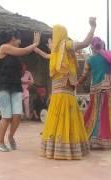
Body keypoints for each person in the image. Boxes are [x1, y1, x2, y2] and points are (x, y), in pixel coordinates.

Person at [33, 17, 96, 160]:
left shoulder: (66, 45)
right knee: (59, 117)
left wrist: (92, 27)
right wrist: (35, 46)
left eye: (54, 34)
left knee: (64, 117)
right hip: (57, 93)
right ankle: (60, 148)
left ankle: (63, 148)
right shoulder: (56, 52)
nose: (53, 38)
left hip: (65, 92)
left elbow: (85, 43)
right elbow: (44, 55)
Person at [0, 29, 40, 152]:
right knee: (7, 116)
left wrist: (34, 47)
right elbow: (23, 51)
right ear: (13, 39)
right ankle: (0, 142)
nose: (20, 43)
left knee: (18, 115)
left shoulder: (16, 55)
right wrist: (35, 44)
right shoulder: (4, 48)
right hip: (2, 87)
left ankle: (11, 136)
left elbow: (21, 55)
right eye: (19, 40)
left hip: (15, 87)